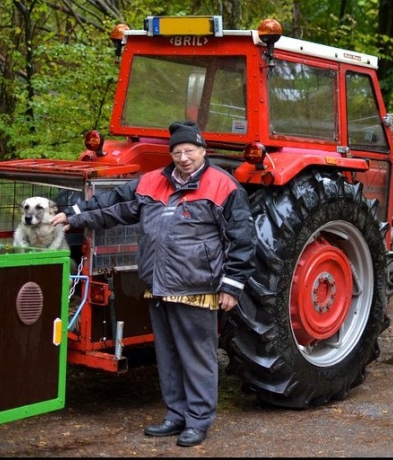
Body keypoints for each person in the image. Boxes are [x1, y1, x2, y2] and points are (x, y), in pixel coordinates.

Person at [51, 120, 255, 447]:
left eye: (190, 150)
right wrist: (72, 215)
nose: (184, 157)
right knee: (168, 355)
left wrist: (232, 286)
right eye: (177, 151)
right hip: (159, 284)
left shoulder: (223, 186)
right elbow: (113, 206)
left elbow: (242, 239)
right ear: (171, 154)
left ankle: (198, 420)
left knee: (197, 356)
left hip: (197, 288)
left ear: (202, 151)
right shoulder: (151, 182)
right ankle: (175, 415)